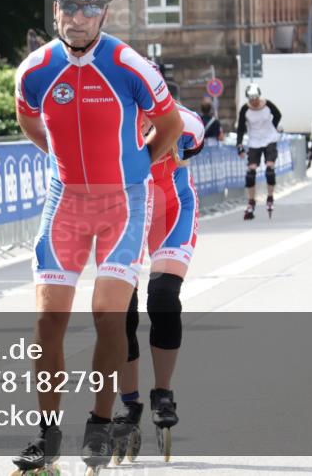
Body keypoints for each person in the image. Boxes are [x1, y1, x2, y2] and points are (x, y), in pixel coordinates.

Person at [13, 0, 184, 474]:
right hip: (65, 201)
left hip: (123, 202)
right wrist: (63, 164)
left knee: (109, 316)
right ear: (56, 9)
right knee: (47, 322)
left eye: (89, 9)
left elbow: (170, 125)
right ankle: (47, 436)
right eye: (68, 6)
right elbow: (29, 121)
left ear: (104, 13)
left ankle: (100, 423)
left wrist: (137, 166)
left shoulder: (129, 65)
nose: (78, 18)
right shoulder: (36, 69)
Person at [111, 97, 205, 463]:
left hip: (172, 209)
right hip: (127, 214)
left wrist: (162, 118)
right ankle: (129, 402)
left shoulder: (171, 114)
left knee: (163, 297)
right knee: (122, 310)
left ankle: (162, 394)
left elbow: (194, 130)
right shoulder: (107, 112)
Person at [235, 84, 282, 220]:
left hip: (269, 138)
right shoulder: (245, 109)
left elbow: (278, 115)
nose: (254, 102)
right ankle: (251, 201)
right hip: (254, 140)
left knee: (269, 169)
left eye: (256, 99)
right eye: (251, 99)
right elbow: (240, 128)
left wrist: (273, 127)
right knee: (250, 173)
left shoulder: (267, 105)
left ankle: (270, 197)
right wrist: (239, 145)